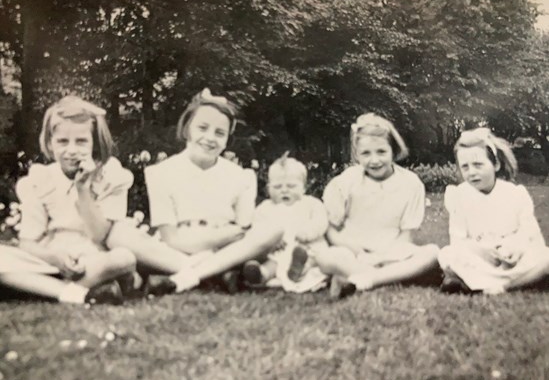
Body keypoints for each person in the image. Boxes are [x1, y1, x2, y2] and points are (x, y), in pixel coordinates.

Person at [0, 96, 199, 304]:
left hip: (96, 258)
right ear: (50, 143)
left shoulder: (111, 175)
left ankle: (47, 288)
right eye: (62, 141)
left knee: (123, 258)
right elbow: (28, 243)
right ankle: (80, 292)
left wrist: (83, 190)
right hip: (54, 259)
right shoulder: (41, 179)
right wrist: (55, 258)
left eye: (81, 141)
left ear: (94, 143)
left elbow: (100, 235)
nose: (71, 150)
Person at [144, 88, 282, 292]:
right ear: (187, 129)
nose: (210, 138)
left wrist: (229, 237)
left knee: (273, 230)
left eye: (220, 133)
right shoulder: (160, 173)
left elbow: (243, 229)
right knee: (123, 236)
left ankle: (187, 278)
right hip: (180, 248)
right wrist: (222, 238)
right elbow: (170, 238)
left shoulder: (240, 176)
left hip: (226, 248)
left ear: (227, 139)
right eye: (202, 128)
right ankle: (219, 273)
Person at [314, 113, 438, 297]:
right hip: (353, 252)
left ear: (393, 150)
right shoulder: (346, 181)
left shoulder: (411, 184)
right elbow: (330, 229)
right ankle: (385, 278)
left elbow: (407, 235)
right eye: (366, 153)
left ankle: (365, 279)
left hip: (392, 252)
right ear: (357, 154)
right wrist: (352, 248)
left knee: (432, 253)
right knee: (326, 257)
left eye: (381, 152)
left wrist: (386, 255)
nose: (374, 160)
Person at [438, 128, 549, 294]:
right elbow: (458, 240)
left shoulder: (516, 193)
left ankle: (499, 286)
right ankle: (515, 281)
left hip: (514, 257)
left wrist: (516, 249)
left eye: (478, 165)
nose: (472, 172)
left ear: (496, 164)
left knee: (545, 257)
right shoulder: (458, 196)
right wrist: (483, 251)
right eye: (465, 167)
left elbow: (531, 234)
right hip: (480, 257)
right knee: (448, 255)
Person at [242, 153, 328, 293]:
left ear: (304, 187)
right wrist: (270, 240)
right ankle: (260, 274)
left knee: (312, 259)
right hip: (279, 249)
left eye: (291, 186)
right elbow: (257, 227)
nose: (284, 190)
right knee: (273, 263)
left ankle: (299, 270)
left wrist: (308, 233)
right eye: (277, 187)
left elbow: (321, 221)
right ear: (269, 189)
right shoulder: (265, 208)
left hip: (306, 247)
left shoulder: (311, 204)